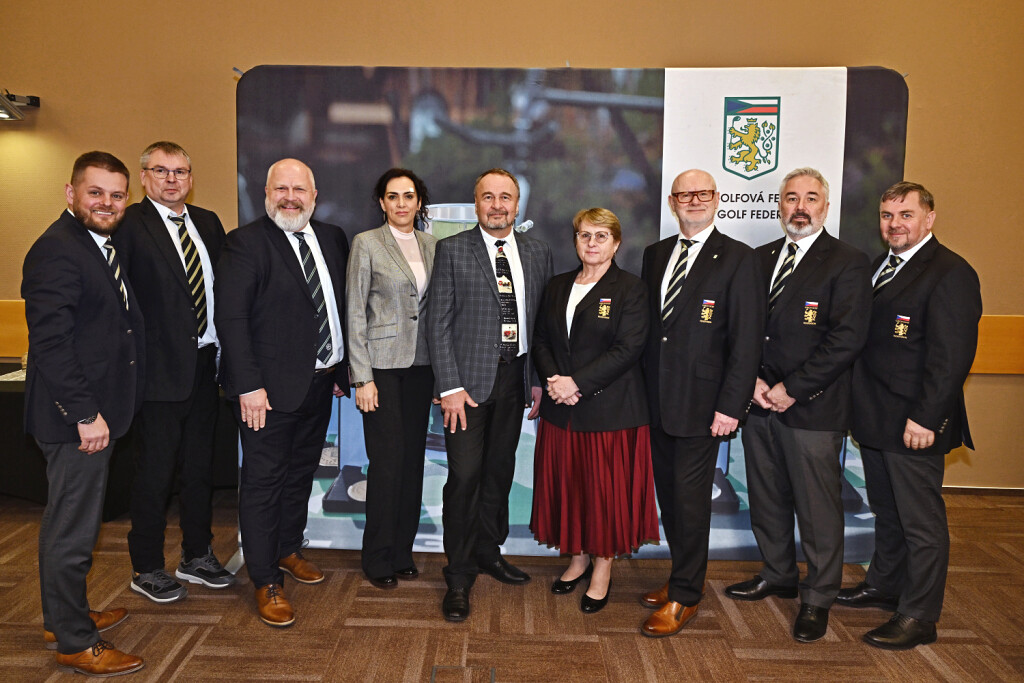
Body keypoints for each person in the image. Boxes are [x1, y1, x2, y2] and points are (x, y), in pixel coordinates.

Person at [724, 168, 871, 642]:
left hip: (812, 407)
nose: (800, 207)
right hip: (759, 402)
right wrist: (752, 383)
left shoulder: (848, 262)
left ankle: (819, 595)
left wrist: (792, 388)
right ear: (779, 205)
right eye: (791, 198)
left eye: (810, 198)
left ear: (826, 206)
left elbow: (846, 339)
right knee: (766, 495)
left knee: (817, 507)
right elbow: (741, 328)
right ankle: (778, 573)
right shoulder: (760, 258)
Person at [837, 182, 981, 650]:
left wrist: (926, 418)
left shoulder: (950, 272)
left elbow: (951, 358)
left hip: (915, 424)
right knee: (889, 511)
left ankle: (919, 614)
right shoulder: (880, 266)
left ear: (929, 218)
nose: (894, 224)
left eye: (905, 215)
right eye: (887, 215)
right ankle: (884, 584)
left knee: (921, 523)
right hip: (877, 419)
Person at [22, 151, 145, 676]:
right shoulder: (56, 250)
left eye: (116, 195)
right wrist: (85, 413)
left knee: (69, 524)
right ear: (71, 193)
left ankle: (64, 617)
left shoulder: (95, 245)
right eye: (96, 193)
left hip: (92, 415)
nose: (107, 203)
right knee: (71, 533)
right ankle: (75, 642)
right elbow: (51, 344)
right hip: (76, 420)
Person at [215, 158, 349, 627]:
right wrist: (249, 385)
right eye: (281, 189)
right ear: (266, 193)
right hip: (266, 394)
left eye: (299, 190)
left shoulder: (333, 237)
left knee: (300, 474)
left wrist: (340, 368)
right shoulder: (244, 243)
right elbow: (231, 320)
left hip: (320, 383)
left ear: (314, 195)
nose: (290, 198)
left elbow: (337, 307)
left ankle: (288, 548)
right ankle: (265, 578)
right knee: (263, 485)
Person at [638, 169, 764, 637]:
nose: (694, 200)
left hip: (705, 406)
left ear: (716, 199)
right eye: (684, 194)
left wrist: (731, 406)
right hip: (657, 403)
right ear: (672, 202)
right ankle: (679, 577)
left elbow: (747, 341)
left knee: (691, 503)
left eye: (703, 193)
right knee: (671, 499)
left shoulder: (740, 258)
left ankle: (687, 597)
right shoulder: (655, 255)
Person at [427, 168, 553, 622]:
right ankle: (459, 575)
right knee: (464, 477)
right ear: (476, 203)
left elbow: (542, 325)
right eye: (488, 197)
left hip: (515, 379)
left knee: (499, 472)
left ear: (517, 205)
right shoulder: (452, 250)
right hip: (465, 387)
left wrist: (537, 379)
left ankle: (488, 552)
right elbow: (437, 323)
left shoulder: (537, 252)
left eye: (505, 197)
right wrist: (449, 387)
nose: (497, 205)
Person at [113, 141, 233, 604]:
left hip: (205, 366)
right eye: (161, 171)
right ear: (143, 177)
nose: (171, 179)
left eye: (180, 171)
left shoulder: (208, 222)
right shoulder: (129, 225)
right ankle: (146, 567)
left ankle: (197, 555)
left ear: (191, 178)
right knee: (155, 474)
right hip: (157, 373)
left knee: (200, 470)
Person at [530, 207, 658, 614]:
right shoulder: (557, 285)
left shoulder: (631, 289)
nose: (592, 243)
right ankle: (578, 558)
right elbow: (541, 339)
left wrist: (576, 384)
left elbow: (628, 349)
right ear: (575, 241)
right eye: (584, 235)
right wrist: (555, 381)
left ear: (616, 244)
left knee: (605, 494)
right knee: (571, 488)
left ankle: (602, 568)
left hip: (611, 412)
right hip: (562, 411)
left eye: (601, 236)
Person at [347, 168, 437, 589]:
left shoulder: (432, 245)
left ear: (419, 202)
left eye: (409, 196)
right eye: (393, 196)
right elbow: (354, 312)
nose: (402, 203)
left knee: (413, 462)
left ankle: (402, 552)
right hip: (381, 369)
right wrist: (361, 377)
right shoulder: (366, 243)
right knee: (387, 464)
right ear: (382, 202)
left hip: (422, 369)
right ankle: (377, 556)